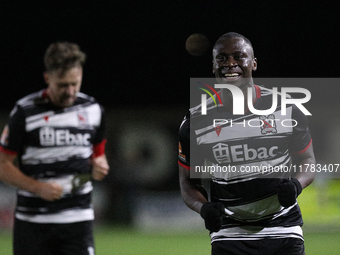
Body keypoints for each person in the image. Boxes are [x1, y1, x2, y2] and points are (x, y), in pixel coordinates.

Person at [178, 32, 315, 255]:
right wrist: (204, 208)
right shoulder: (195, 121)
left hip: (283, 228)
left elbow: (308, 160)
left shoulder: (287, 108)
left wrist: (296, 185)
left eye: (239, 56)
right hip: (229, 233)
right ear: (213, 65)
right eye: (222, 58)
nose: (230, 64)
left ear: (253, 63)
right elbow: (187, 184)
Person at [0, 42, 109, 255]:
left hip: (78, 220)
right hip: (33, 222)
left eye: (75, 84)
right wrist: (37, 187)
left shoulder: (93, 110)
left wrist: (100, 164)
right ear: (47, 78)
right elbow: (2, 164)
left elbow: (99, 155)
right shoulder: (25, 112)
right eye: (62, 85)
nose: (70, 92)